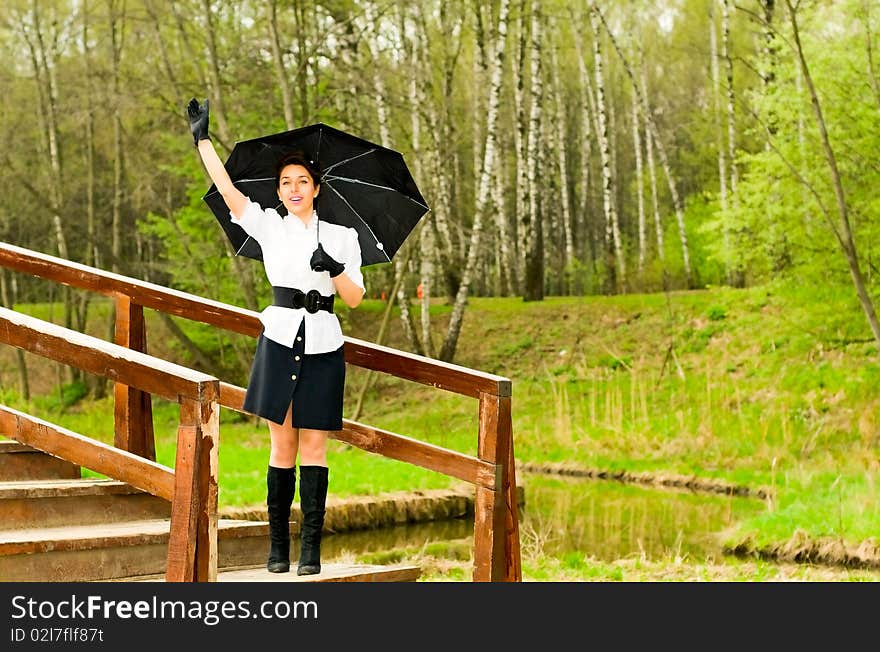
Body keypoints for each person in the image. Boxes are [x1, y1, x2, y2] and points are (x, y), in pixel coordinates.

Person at [186, 98, 365, 575]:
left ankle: (310, 552)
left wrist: (336, 268)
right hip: (280, 337)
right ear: (279, 191)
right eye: (285, 183)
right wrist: (203, 142)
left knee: (314, 448)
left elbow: (354, 299)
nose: (293, 188)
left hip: (325, 344)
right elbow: (227, 194)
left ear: (317, 187)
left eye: (301, 181)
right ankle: (277, 549)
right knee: (281, 447)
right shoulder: (269, 226)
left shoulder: (343, 236)